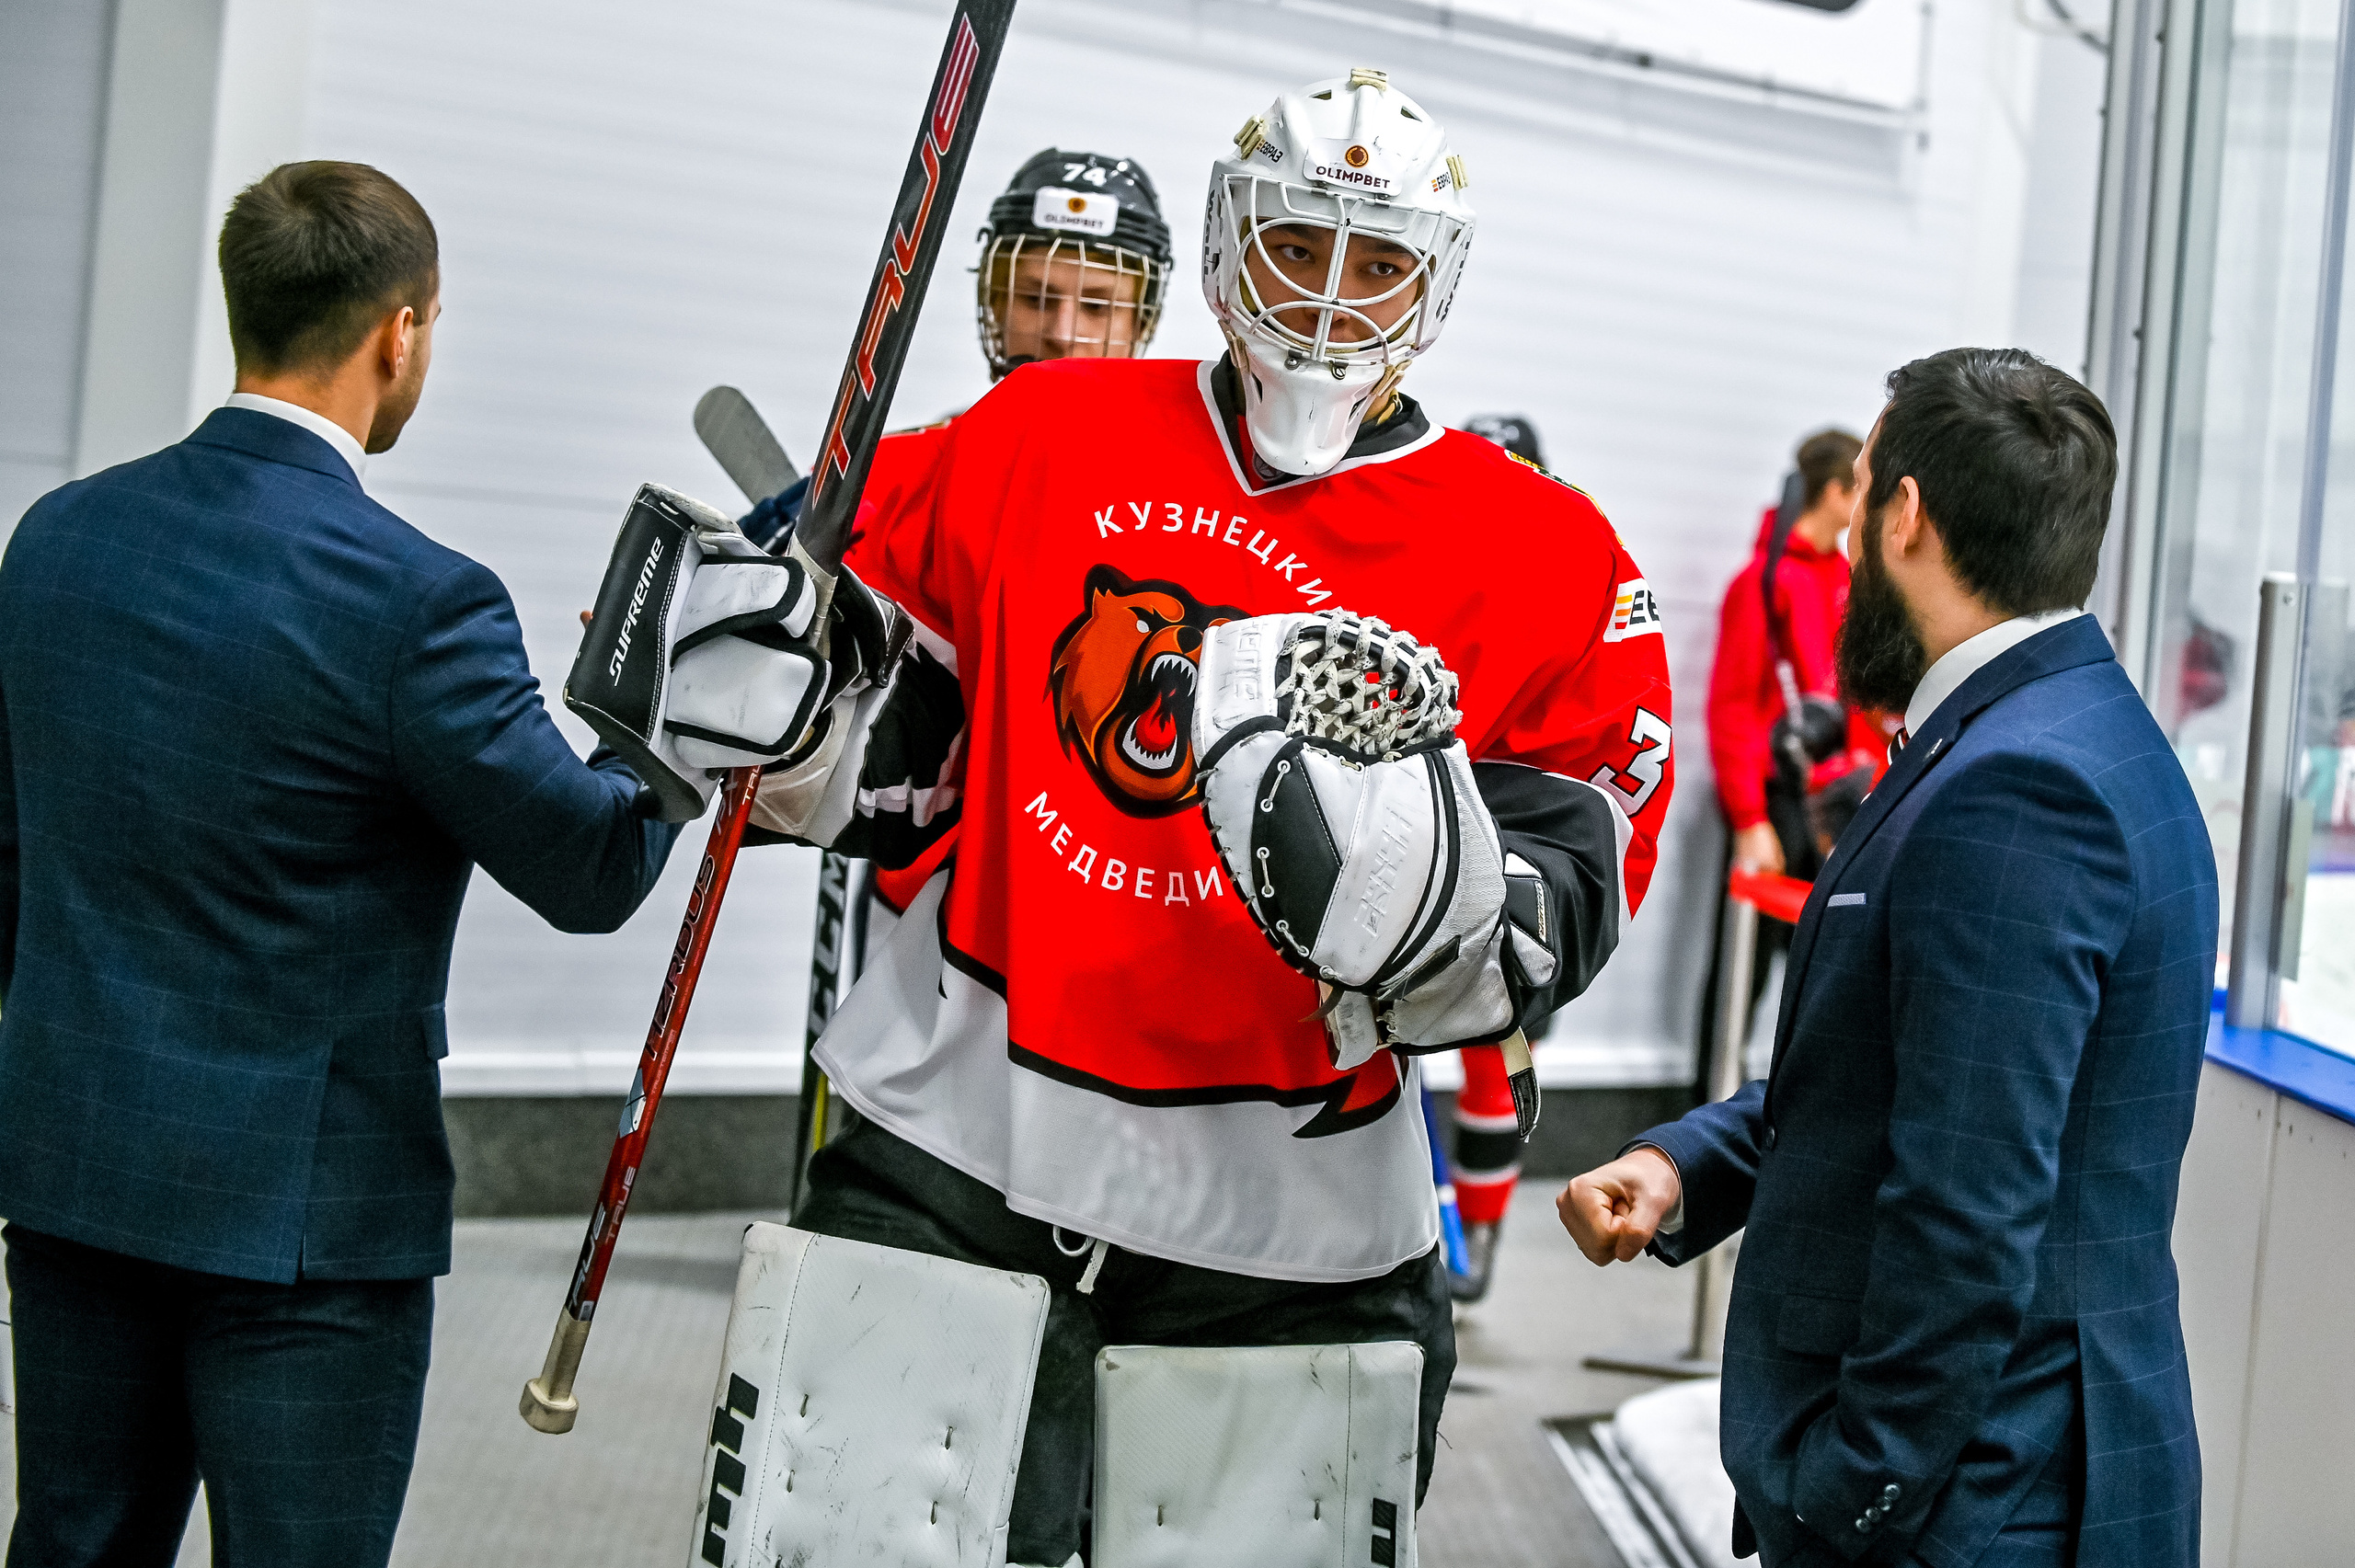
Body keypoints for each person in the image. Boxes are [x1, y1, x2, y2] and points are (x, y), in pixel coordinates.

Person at [744, 70, 1676, 1565]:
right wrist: (765, 685)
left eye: (1375, 262)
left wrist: (1452, 915)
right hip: (956, 1156)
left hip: (1288, 1235)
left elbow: (1578, 859)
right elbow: (880, 718)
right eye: (1296, 243)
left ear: (1435, 288)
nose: (1325, 298)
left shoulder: (1545, 551)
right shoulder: (1044, 427)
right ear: (1230, 238)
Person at [0, 162, 805, 1567]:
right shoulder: (418, 601)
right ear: (402, 333)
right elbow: (591, 869)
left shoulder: (59, 540)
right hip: (307, 1234)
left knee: (72, 1544)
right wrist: (663, 720)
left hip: (76, 1174)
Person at [1559, 348, 2217, 1568]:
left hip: (1977, 1505)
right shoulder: (2061, 729)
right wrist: (1685, 1163)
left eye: (1862, 494)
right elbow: (1912, 1082)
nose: (1847, 535)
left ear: (1905, 514)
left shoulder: (2018, 787)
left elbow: (1968, 1212)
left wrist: (1851, 1489)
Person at [742, 146, 1174, 965]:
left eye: (1097, 304)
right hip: (925, 888)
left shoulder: (1179, 499)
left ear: (1139, 318)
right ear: (993, 298)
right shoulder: (919, 463)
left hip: (1097, 901)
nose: (1061, 329)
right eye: (1036, 297)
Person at [1707, 428, 1879, 881]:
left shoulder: (1847, 580)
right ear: (1834, 493)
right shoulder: (1762, 583)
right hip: (1778, 797)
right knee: (1760, 945)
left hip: (1837, 792)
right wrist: (1749, 819)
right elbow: (1732, 705)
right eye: (1861, 487)